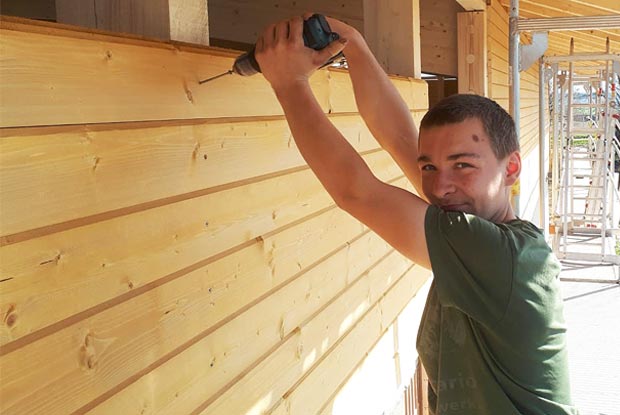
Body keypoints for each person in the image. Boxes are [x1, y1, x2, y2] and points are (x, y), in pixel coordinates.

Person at [255, 13, 578, 415]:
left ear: (511, 168)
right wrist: (352, 43)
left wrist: (290, 84)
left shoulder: (498, 257)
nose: (439, 187)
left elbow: (358, 193)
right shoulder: (484, 232)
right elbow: (400, 138)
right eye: (429, 167)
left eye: (463, 165)